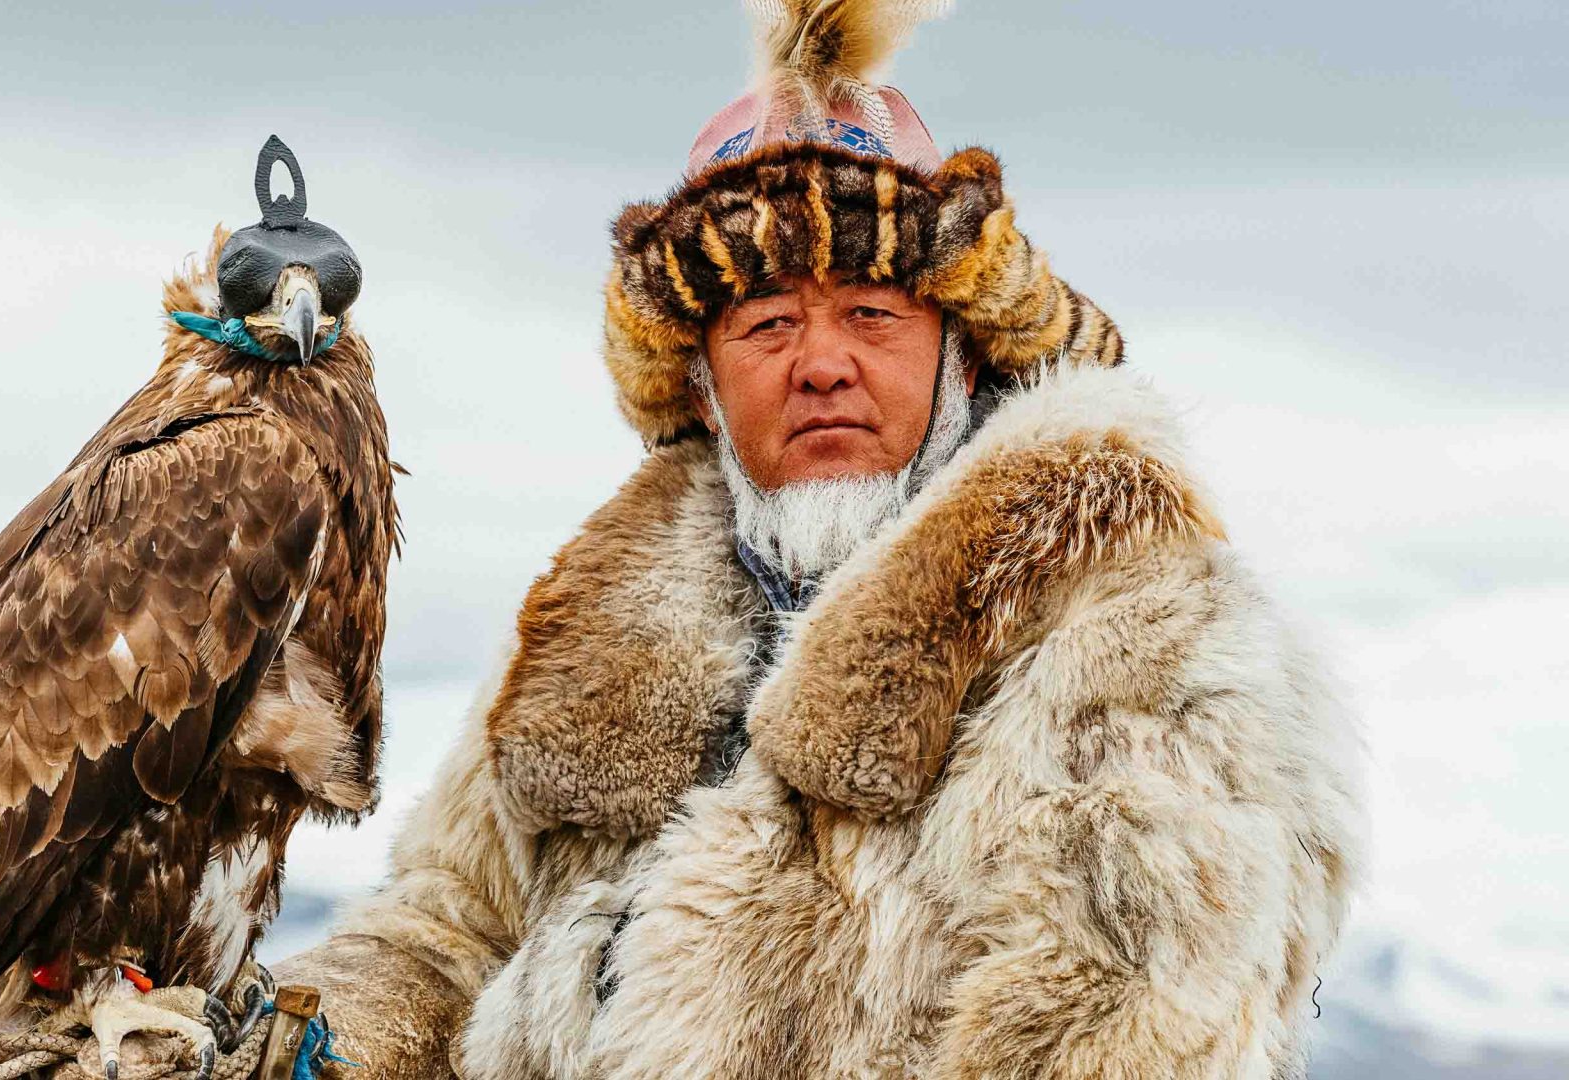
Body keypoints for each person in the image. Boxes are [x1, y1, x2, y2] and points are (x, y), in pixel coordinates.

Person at [276, 4, 1365, 1077]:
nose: (823, 363)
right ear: (702, 385)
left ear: (967, 358)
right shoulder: (596, 629)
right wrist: (302, 1045)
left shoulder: (1135, 619)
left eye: (874, 314)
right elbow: (446, 932)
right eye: (768, 324)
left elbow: (1120, 1025)